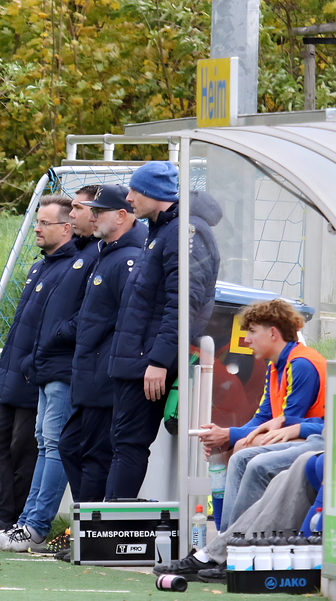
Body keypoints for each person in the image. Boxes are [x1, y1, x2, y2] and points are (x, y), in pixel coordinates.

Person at [0, 189, 99, 547]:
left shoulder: (77, 265)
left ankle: (23, 522)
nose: (36, 228)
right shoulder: (40, 266)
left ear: (65, 228)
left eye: (44, 223)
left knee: (30, 447)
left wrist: (36, 358)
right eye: (36, 221)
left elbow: (68, 323)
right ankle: (4, 517)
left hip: (43, 371)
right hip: (21, 371)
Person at [104, 161, 220, 499]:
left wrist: (159, 361)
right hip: (135, 359)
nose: (128, 198)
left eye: (134, 191)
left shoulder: (186, 233)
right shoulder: (160, 231)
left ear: (155, 193)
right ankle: (108, 520)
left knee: (130, 444)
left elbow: (183, 304)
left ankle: (114, 523)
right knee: (122, 443)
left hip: (149, 362)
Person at [198, 298, 328, 532]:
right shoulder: (275, 365)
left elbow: (285, 424)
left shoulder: (301, 364)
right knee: (221, 453)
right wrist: (226, 437)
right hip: (297, 437)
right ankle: (222, 531)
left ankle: (234, 536)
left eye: (252, 331)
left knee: (241, 449)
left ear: (273, 333)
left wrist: (231, 436)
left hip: (316, 440)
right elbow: (263, 417)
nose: (246, 339)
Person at [59, 185, 145, 504]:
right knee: (70, 446)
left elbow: (131, 321)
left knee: (95, 456)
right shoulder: (107, 253)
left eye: (98, 212)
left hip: (106, 377)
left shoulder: (128, 259)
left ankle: (92, 527)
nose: (91, 217)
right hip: (90, 374)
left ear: (121, 216)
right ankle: (86, 523)